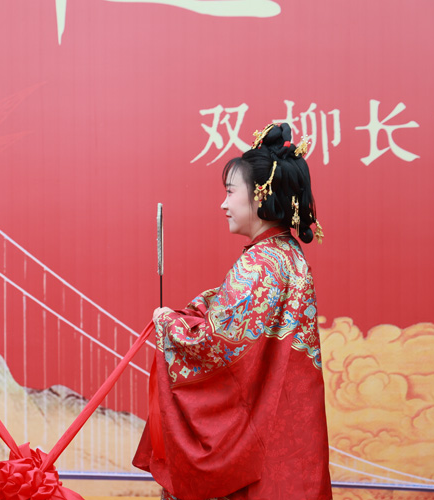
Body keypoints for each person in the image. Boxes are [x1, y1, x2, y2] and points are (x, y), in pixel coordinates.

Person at [133, 123, 331, 500]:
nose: (223, 204)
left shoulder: (258, 265)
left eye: (229, 192)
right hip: (289, 428)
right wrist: (199, 309)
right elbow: (238, 321)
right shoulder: (288, 255)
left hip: (261, 442)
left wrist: (169, 324)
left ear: (260, 194)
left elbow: (216, 346)